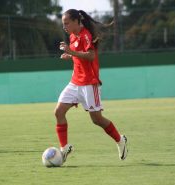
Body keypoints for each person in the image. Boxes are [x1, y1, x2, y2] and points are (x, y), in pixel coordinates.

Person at [55, 9, 128, 163]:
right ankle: (64, 148)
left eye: (67, 23)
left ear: (76, 21)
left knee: (97, 120)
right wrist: (69, 55)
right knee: (58, 112)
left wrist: (72, 52)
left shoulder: (86, 35)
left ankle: (120, 140)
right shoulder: (72, 35)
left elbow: (91, 55)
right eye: (63, 24)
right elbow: (78, 55)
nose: (64, 26)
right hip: (75, 82)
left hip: (89, 84)